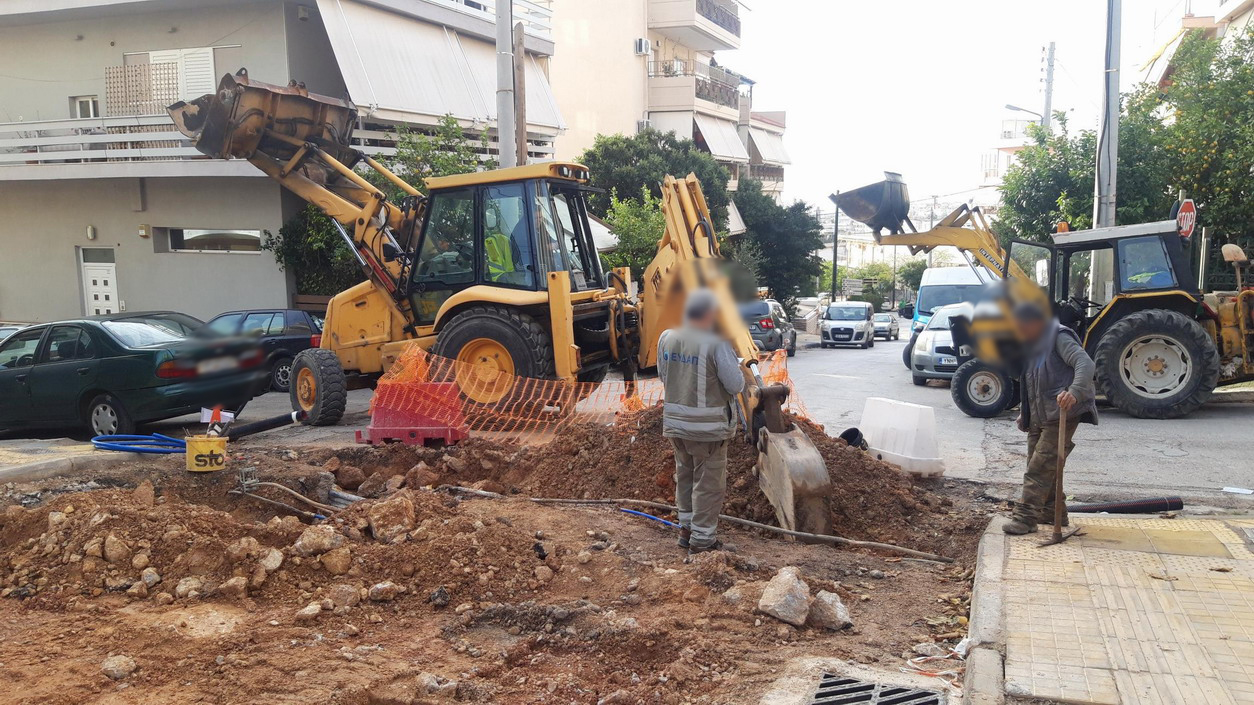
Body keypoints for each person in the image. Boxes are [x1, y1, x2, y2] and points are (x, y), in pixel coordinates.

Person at [657, 288, 746, 554]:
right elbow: (735, 384)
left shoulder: (667, 338)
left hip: (676, 426)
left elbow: (665, 376)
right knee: (708, 485)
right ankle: (703, 540)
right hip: (708, 431)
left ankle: (686, 531)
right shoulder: (715, 342)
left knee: (684, 476)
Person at [1004, 302, 1099, 535]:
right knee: (1041, 465)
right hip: (1040, 414)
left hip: (1062, 412)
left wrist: (1074, 392)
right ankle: (1052, 511)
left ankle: (1026, 518)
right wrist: (1024, 413)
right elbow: (1031, 382)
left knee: (1040, 466)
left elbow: (1085, 363)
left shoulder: (1059, 337)